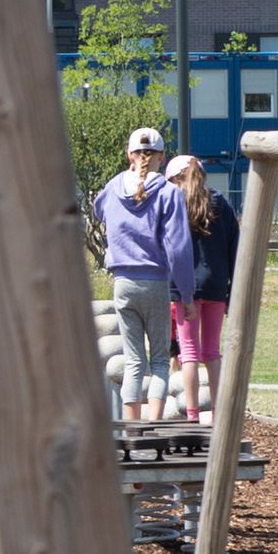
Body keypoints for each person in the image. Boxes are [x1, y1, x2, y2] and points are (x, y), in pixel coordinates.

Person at [93, 125, 193, 423]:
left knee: (134, 361)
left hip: (122, 283)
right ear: (162, 158)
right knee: (160, 360)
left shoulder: (113, 187)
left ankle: (132, 427)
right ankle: (154, 426)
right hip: (155, 282)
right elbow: (179, 248)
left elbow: (99, 211)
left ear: (129, 156)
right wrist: (186, 295)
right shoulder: (168, 193)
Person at [168, 154, 237, 418]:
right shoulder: (221, 202)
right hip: (217, 286)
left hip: (184, 288)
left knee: (189, 352)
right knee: (212, 352)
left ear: (176, 178)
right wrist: (232, 287)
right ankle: (220, 415)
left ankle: (193, 414)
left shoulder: (175, 203)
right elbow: (235, 247)